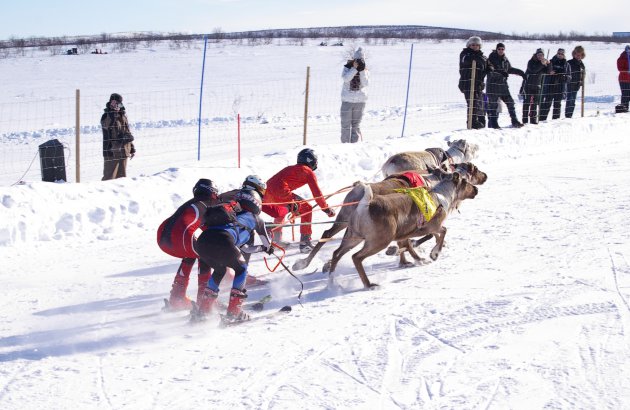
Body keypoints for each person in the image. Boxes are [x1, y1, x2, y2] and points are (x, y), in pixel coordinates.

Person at [194, 184, 274, 321]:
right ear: (256, 203)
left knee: (220, 270)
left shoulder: (231, 215)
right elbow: (267, 242)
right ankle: (234, 312)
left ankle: (204, 311)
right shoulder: (256, 218)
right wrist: (267, 248)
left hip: (202, 242)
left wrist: (261, 249)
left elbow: (243, 250)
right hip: (223, 240)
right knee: (241, 268)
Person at [157, 179, 219, 310]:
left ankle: (177, 297)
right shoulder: (208, 203)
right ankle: (204, 300)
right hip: (181, 238)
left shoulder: (190, 203)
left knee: (191, 252)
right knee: (205, 254)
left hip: (164, 240)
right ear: (212, 192)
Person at [261, 148, 336, 253]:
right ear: (311, 161)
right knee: (307, 208)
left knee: (281, 210)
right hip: (282, 193)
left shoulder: (291, 168)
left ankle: (276, 239)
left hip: (266, 193)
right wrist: (326, 209)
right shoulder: (308, 171)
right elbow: (317, 194)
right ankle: (305, 243)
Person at [485, 42, 525, 128]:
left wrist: (521, 73)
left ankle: (514, 121)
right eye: (499, 49)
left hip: (503, 86)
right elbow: (490, 71)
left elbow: (509, 69)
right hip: (493, 86)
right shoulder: (491, 58)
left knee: (510, 102)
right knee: (493, 105)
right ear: (496, 49)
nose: (501, 50)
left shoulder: (505, 59)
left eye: (502, 49)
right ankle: (494, 124)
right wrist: (500, 72)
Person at [459, 36, 494, 129]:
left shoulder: (482, 56)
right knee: (472, 103)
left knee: (478, 103)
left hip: (478, 83)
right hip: (467, 82)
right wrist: (478, 59)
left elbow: (489, 65)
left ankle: (478, 121)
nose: (475, 47)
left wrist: (489, 69)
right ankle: (472, 122)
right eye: (473, 45)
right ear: (469, 45)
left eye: (477, 45)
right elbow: (466, 61)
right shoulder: (465, 54)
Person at [101, 93, 136, 180]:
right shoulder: (106, 115)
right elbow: (106, 125)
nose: (115, 104)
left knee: (122, 179)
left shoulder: (123, 116)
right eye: (113, 102)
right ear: (110, 102)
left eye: (117, 102)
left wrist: (131, 148)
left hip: (124, 151)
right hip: (111, 151)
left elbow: (127, 132)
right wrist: (113, 114)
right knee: (109, 178)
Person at [340, 47, 369, 143]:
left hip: (360, 101)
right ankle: (344, 146)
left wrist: (361, 71)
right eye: (357, 60)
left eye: (361, 60)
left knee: (356, 126)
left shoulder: (365, 70)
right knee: (345, 125)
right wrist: (354, 69)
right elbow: (346, 79)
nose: (359, 62)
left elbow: (365, 83)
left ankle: (354, 146)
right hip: (347, 100)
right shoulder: (347, 67)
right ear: (354, 59)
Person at [539, 48, 571, 121]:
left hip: (560, 87)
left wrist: (564, 77)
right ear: (556, 53)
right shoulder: (551, 61)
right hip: (550, 85)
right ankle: (542, 120)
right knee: (547, 103)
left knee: (557, 105)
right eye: (559, 53)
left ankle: (555, 121)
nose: (560, 55)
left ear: (564, 55)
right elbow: (544, 72)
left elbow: (569, 77)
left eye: (561, 54)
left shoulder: (566, 64)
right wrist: (549, 72)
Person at [522, 48, 551, 124]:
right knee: (527, 103)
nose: (540, 56)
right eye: (538, 54)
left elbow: (548, 72)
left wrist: (549, 64)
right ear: (536, 54)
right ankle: (524, 120)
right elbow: (533, 70)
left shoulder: (543, 63)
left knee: (534, 104)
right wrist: (542, 64)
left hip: (537, 86)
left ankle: (533, 119)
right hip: (528, 85)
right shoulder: (531, 62)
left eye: (541, 55)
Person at [565, 46, 586, 118]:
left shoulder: (581, 64)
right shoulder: (569, 63)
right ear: (574, 54)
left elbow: (583, 74)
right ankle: (568, 115)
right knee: (570, 100)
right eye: (577, 55)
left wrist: (581, 81)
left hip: (577, 85)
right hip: (569, 84)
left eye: (580, 55)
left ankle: (570, 115)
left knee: (573, 101)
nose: (578, 56)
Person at [617, 45, 630, 113]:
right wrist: (627, 70)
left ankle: (625, 108)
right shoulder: (622, 58)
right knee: (625, 94)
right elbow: (620, 68)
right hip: (624, 79)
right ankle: (623, 108)